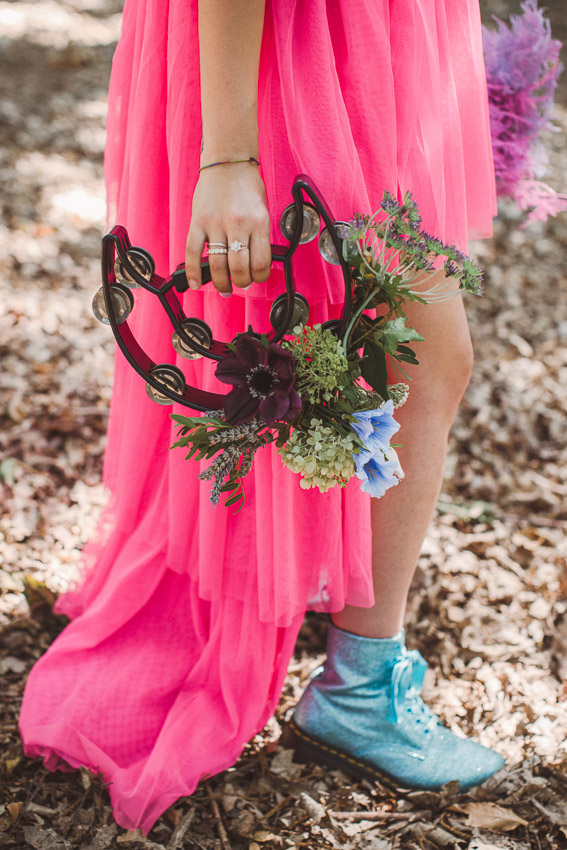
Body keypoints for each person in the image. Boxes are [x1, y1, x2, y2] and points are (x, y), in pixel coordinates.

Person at [18, 0, 504, 835]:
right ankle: (359, 688)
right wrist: (229, 153)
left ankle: (351, 649)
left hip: (375, 40)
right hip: (302, 45)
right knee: (401, 355)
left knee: (370, 344)